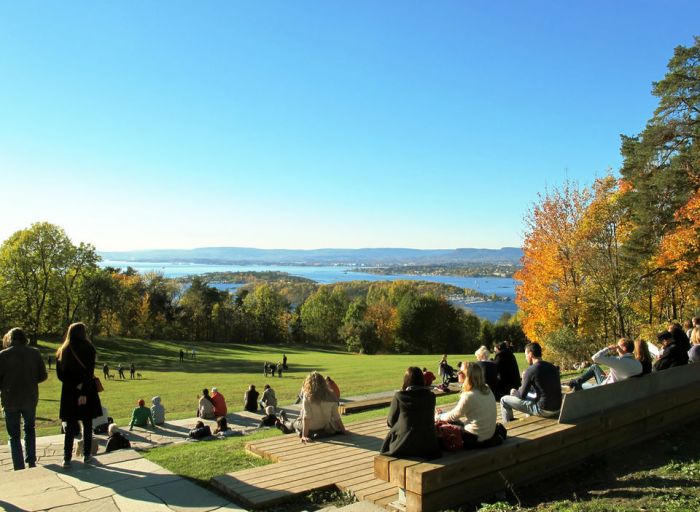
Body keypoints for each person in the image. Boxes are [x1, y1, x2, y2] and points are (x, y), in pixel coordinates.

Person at [0, 327, 48, 470]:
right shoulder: (34, 353)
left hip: (10, 399)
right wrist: (30, 382)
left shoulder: (3, 355)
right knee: (29, 429)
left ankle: (18, 465)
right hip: (30, 397)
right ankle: (31, 461)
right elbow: (43, 375)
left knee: (14, 435)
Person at [56, 322, 103, 467]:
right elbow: (89, 372)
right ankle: (87, 455)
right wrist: (83, 390)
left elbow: (61, 375)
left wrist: (74, 385)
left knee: (70, 426)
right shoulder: (89, 348)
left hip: (69, 392)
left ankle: (67, 457)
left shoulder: (63, 350)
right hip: (87, 390)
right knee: (87, 424)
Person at [380, 367, 441, 459]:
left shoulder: (399, 396)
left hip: (403, 444)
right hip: (428, 444)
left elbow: (391, 421)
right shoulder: (431, 396)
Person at [436, 362, 497, 448]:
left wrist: (439, 416)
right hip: (488, 434)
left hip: (475, 438)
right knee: (450, 419)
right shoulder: (487, 389)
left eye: (461, 371)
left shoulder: (469, 395)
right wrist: (444, 414)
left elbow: (454, 416)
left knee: (441, 425)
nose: (458, 373)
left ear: (468, 376)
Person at [500, 342, 561, 422]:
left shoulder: (531, 370)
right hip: (558, 408)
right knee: (530, 398)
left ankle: (508, 427)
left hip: (543, 410)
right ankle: (529, 420)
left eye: (526, 355)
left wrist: (515, 392)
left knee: (504, 400)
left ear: (531, 354)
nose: (525, 358)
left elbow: (521, 396)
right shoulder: (552, 367)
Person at [280, 372, 347, 443]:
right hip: (323, 426)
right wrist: (344, 430)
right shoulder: (331, 395)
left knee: (294, 424)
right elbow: (336, 416)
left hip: (310, 427)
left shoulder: (307, 396)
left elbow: (306, 417)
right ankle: (286, 424)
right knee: (298, 421)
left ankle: (284, 422)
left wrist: (304, 436)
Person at [567, 338, 642, 390]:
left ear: (624, 348)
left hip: (605, 389)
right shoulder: (638, 363)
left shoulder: (618, 361)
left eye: (617, 346)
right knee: (594, 367)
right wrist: (610, 374)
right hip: (618, 387)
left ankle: (573, 383)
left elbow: (595, 358)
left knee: (580, 385)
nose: (616, 349)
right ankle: (574, 382)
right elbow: (623, 372)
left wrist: (608, 348)